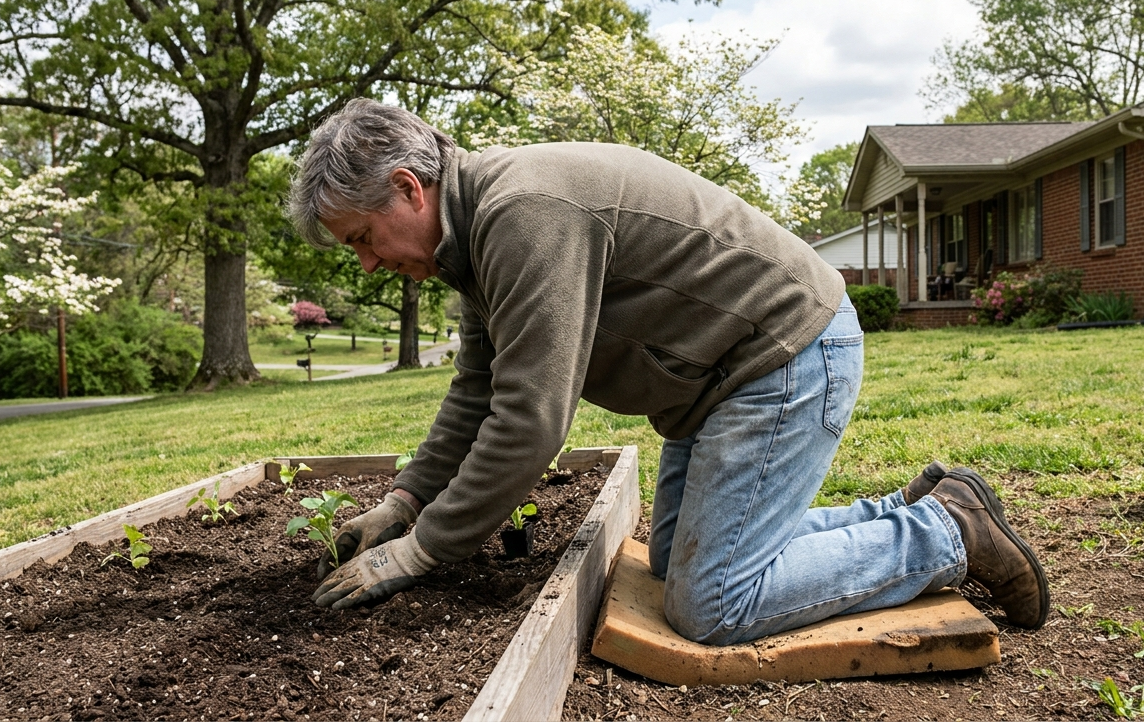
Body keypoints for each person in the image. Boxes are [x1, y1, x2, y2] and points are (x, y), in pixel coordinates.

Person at [287, 99, 1048, 644]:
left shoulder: (522, 215)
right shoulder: (479, 235)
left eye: (362, 236)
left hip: (783, 356)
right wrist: (406, 499)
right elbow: (479, 389)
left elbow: (530, 421)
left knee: (714, 602)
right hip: (727, 380)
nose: (368, 260)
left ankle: (944, 533)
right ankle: (922, 511)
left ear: (408, 189)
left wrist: (422, 549)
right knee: (678, 559)